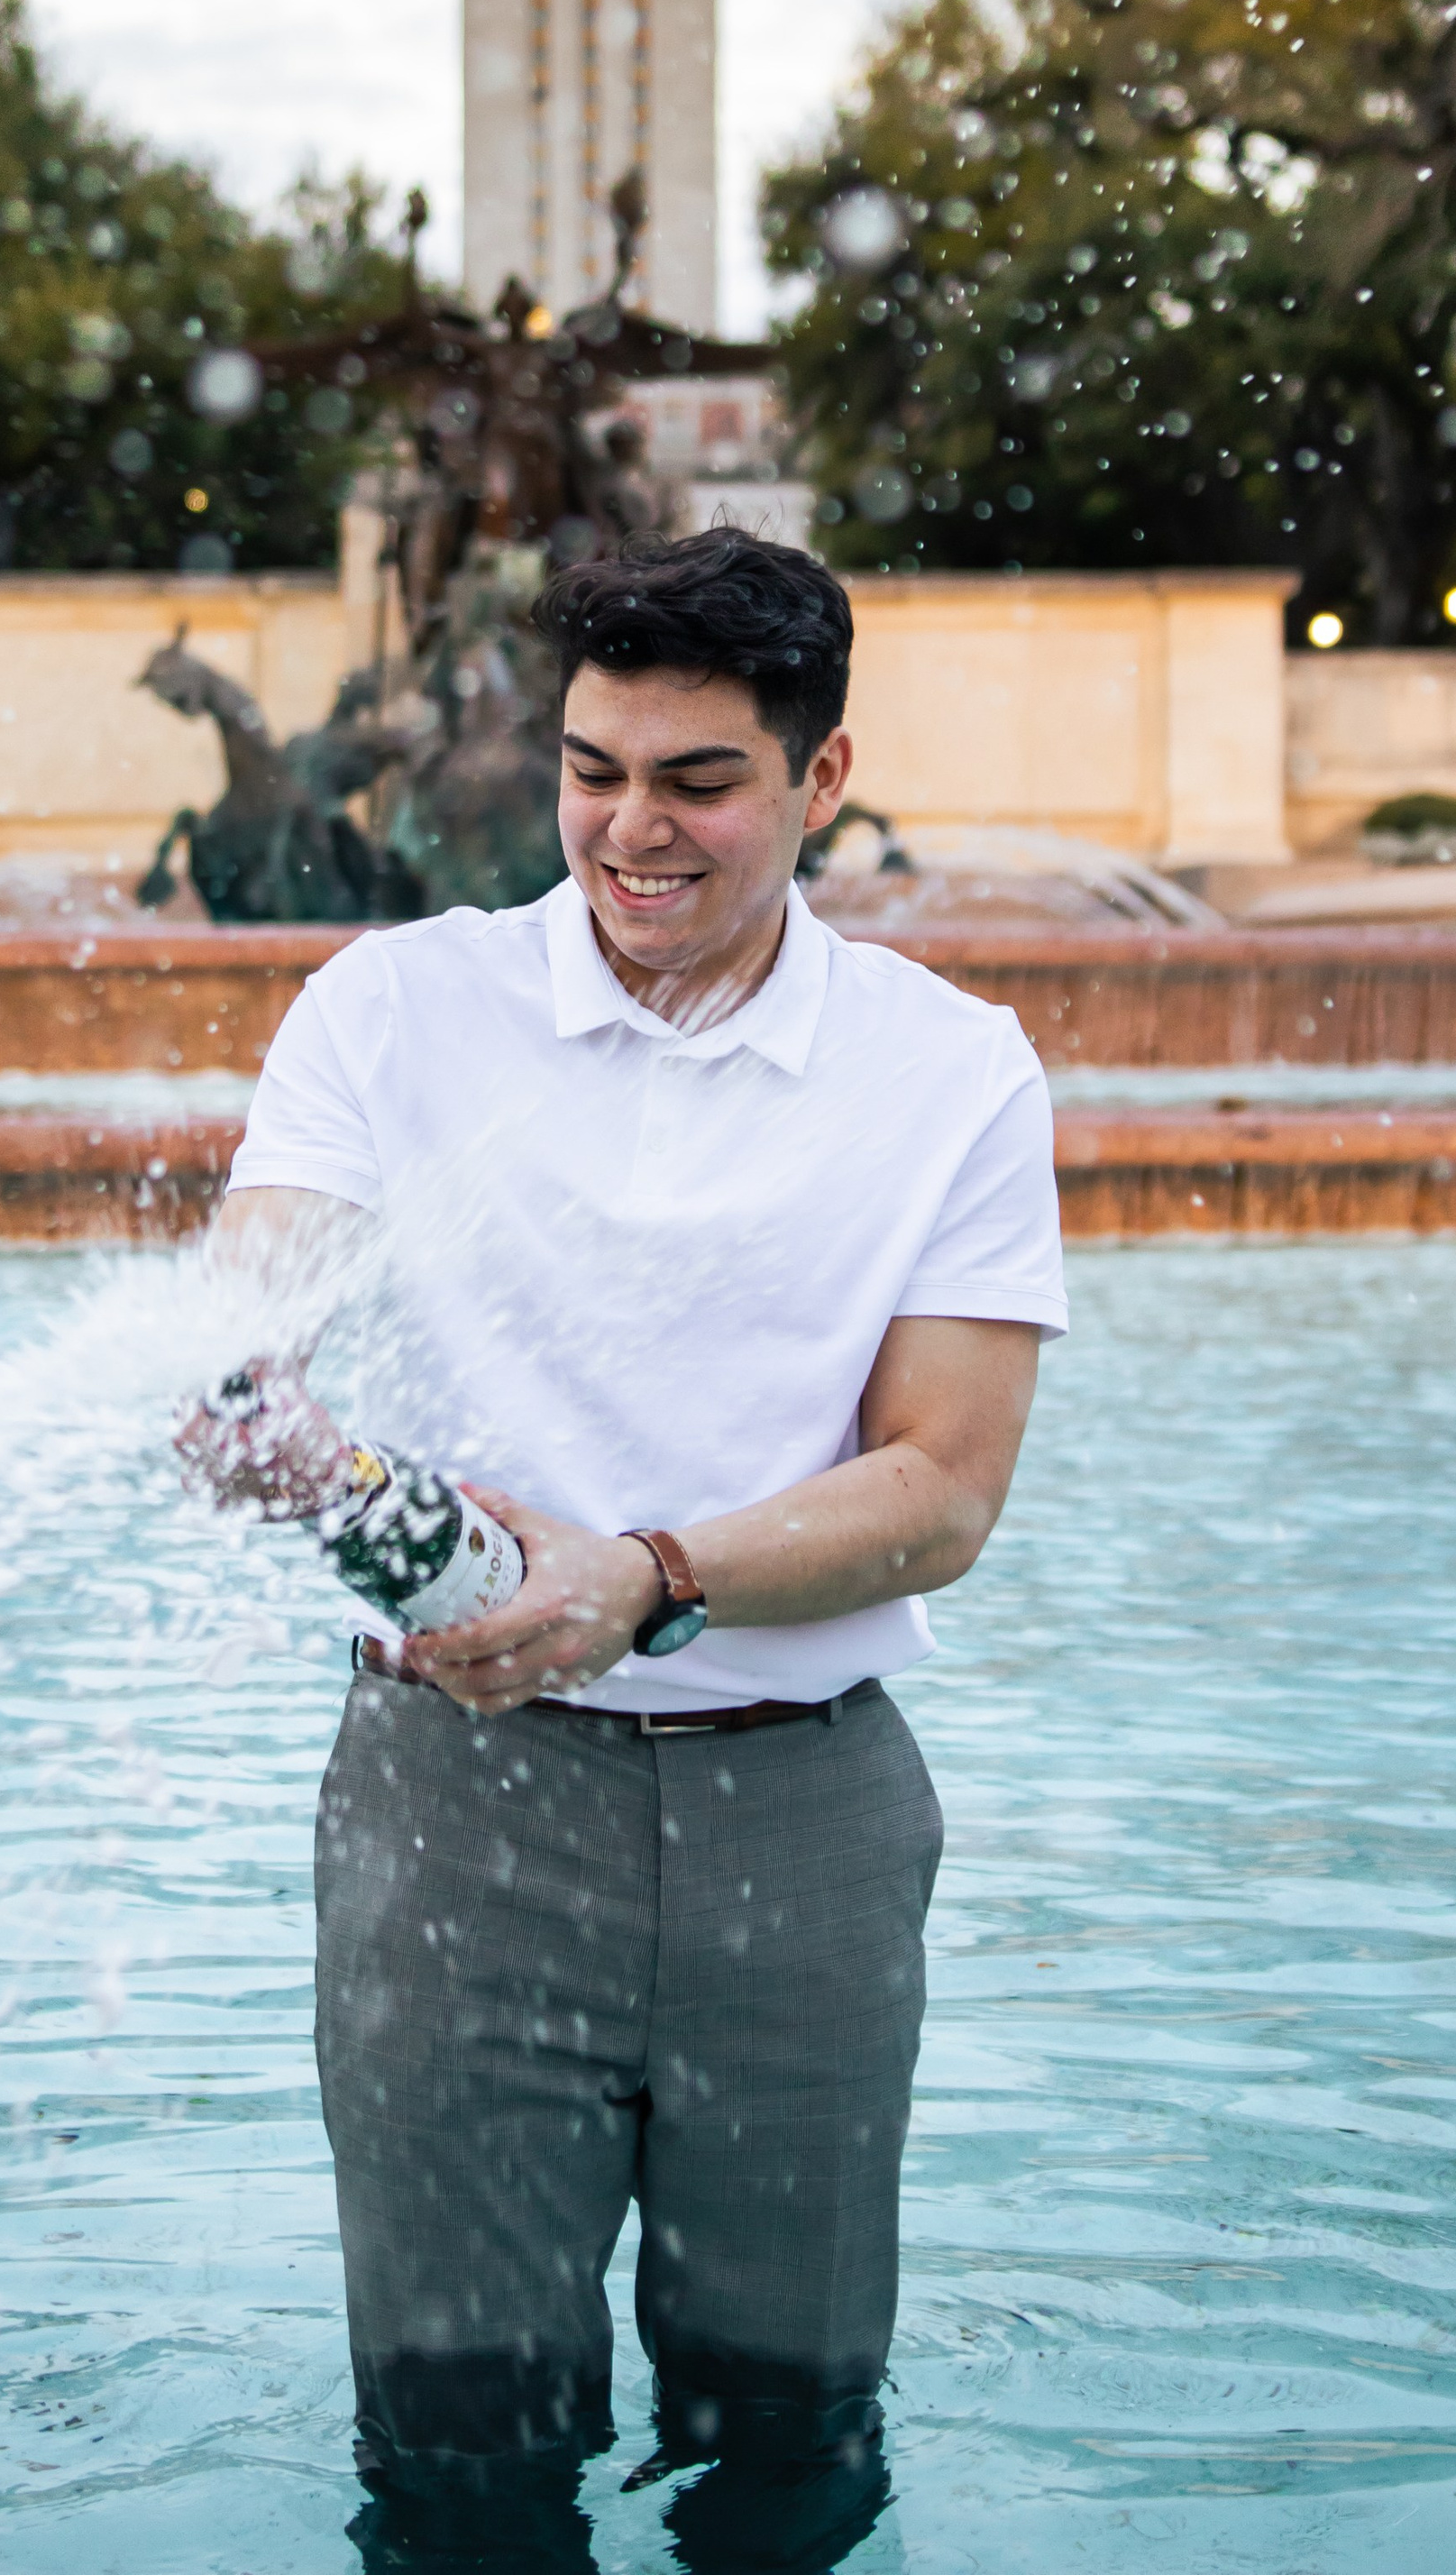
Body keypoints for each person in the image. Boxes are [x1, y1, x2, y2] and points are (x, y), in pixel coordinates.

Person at [210, 527, 1066, 2569]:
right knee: (453, 2444)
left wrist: (644, 1576)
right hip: (451, 1806)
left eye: (696, 781)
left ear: (817, 778)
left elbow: (940, 1488)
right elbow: (246, 1345)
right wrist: (315, 1470)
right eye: (595, 770)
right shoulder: (392, 1008)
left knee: (782, 2438)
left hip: (806, 1812)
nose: (628, 828)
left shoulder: (950, 1068)